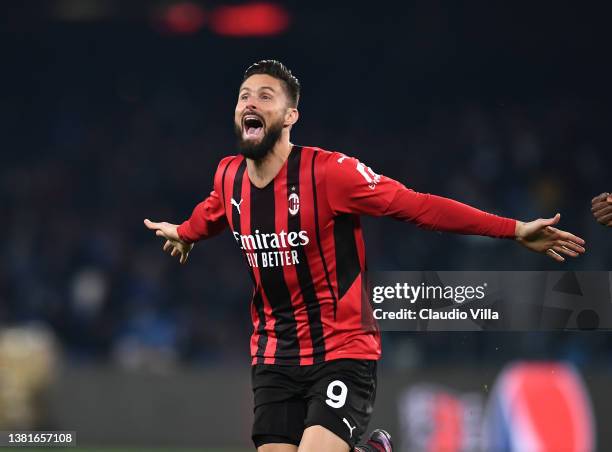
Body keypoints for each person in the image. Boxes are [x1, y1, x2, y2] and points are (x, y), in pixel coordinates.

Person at [144, 60, 586, 452]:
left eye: (265, 95)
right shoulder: (228, 174)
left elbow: (420, 207)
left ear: (290, 115)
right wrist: (185, 233)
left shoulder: (330, 173)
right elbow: (215, 210)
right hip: (273, 355)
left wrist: (512, 229)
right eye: (244, 96)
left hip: (342, 348)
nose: (250, 103)